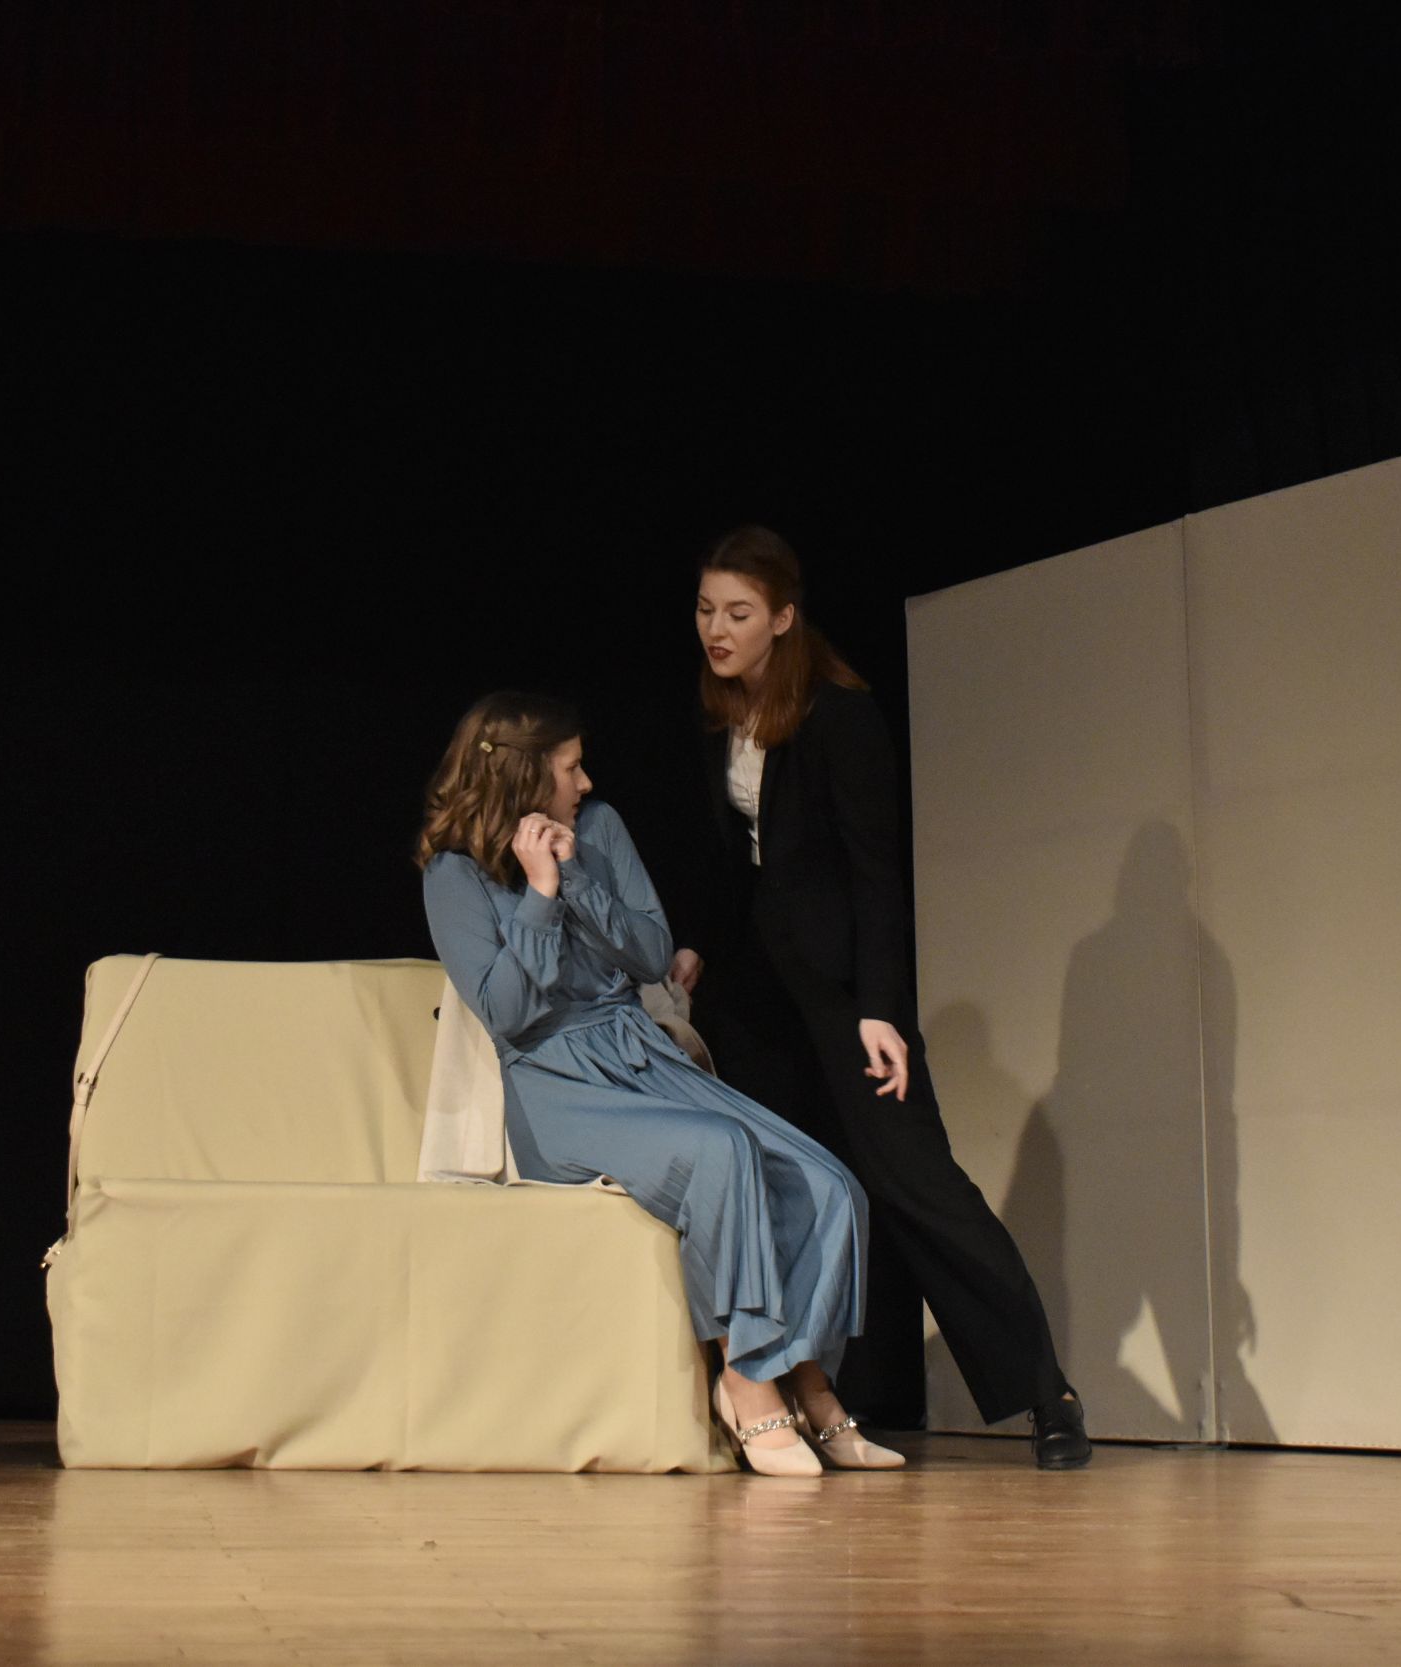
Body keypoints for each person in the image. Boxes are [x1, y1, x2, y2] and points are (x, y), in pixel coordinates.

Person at [668, 525, 1091, 1470]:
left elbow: (876, 876)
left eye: (739, 612)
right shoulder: (716, 713)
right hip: (755, 997)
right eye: (704, 610)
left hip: (842, 991)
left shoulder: (840, 716)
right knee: (779, 1184)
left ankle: (1045, 1390)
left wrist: (882, 1008)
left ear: (784, 617)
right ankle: (798, 1392)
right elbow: (724, 861)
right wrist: (694, 942)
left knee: (915, 1182)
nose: (716, 629)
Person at [417, 690, 903, 1476]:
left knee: (828, 1181)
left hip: (641, 1052)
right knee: (721, 1150)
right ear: (524, 776)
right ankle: (746, 1381)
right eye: (570, 767)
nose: (585, 781)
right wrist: (540, 892)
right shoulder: (454, 874)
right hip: (556, 1085)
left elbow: (650, 953)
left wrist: (577, 876)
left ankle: (811, 1382)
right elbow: (507, 1011)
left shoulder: (599, 828)